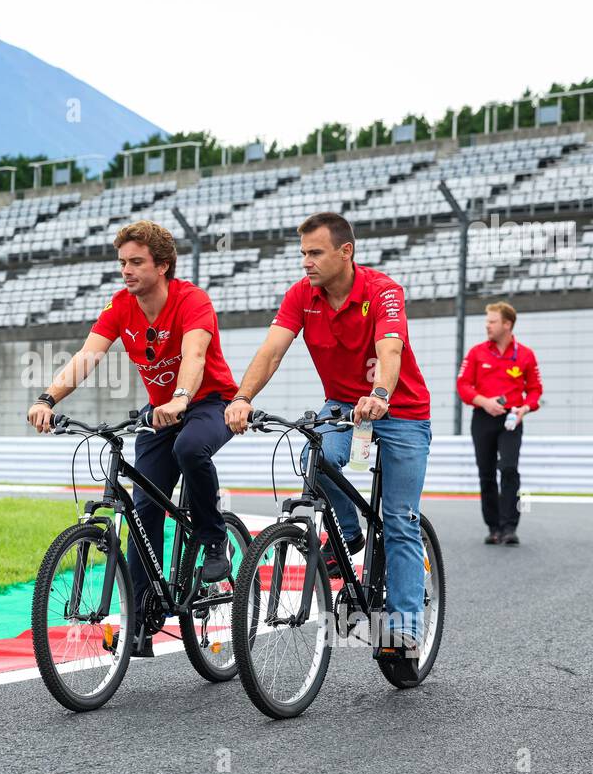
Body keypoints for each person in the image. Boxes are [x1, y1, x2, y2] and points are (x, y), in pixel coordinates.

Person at [224, 211, 431, 672]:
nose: (306, 262)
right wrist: (242, 397)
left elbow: (390, 349)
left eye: (315, 253)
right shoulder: (302, 295)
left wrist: (380, 394)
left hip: (402, 411)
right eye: (302, 253)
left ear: (346, 252)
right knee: (314, 455)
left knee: (398, 520)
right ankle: (347, 540)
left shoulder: (383, 291)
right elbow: (272, 350)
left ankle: (403, 632)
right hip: (342, 406)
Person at [27, 219, 238, 657]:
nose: (126, 270)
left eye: (136, 262)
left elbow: (195, 355)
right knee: (141, 511)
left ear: (162, 265)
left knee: (190, 447)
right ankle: (140, 622)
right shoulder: (121, 306)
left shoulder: (192, 300)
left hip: (207, 402)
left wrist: (181, 398)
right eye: (122, 262)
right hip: (158, 414)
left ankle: (213, 537)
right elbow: (87, 357)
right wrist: (47, 398)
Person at [457, 301, 543, 546]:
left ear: (507, 324)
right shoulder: (476, 352)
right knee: (486, 474)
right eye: (487, 321)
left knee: (508, 468)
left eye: (492, 321)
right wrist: (484, 402)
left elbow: (536, 390)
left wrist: (524, 409)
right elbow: (463, 385)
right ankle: (493, 527)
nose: (487, 326)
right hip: (483, 418)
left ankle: (509, 526)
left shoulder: (525, 354)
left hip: (511, 419)